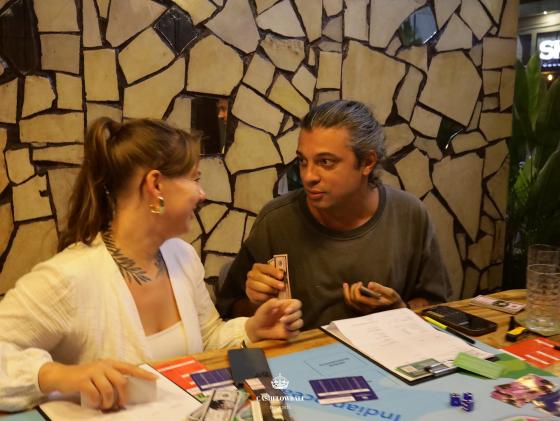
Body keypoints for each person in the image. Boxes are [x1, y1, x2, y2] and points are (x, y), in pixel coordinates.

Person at [0, 118, 303, 412]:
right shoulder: (69, 277)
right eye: (194, 179)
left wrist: (252, 328)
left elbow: (207, 338)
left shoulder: (182, 256)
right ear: (156, 184)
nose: (202, 194)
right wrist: (60, 375)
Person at [216, 100, 451, 329]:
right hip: (302, 352)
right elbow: (229, 311)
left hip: (388, 350)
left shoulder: (409, 214)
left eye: (325, 162)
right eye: (303, 161)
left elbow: (436, 305)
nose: (308, 176)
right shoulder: (276, 220)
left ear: (367, 162)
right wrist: (257, 304)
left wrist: (399, 312)